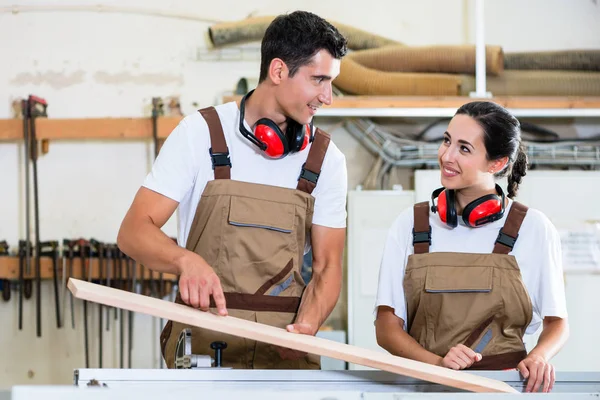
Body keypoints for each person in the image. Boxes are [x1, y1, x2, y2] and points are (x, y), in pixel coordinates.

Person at [117, 10, 348, 369]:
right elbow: (133, 232)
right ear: (278, 71)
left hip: (283, 352)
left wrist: (308, 325)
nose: (328, 97)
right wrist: (185, 261)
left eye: (330, 82)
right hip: (203, 347)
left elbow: (327, 266)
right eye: (319, 80)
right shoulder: (200, 134)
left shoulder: (326, 159)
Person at [374, 101, 569, 393]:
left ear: (497, 163)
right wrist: (439, 366)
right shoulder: (411, 225)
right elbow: (387, 328)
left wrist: (539, 356)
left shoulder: (533, 228)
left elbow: (557, 322)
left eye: (464, 149)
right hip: (425, 387)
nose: (447, 156)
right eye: (447, 141)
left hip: (503, 390)